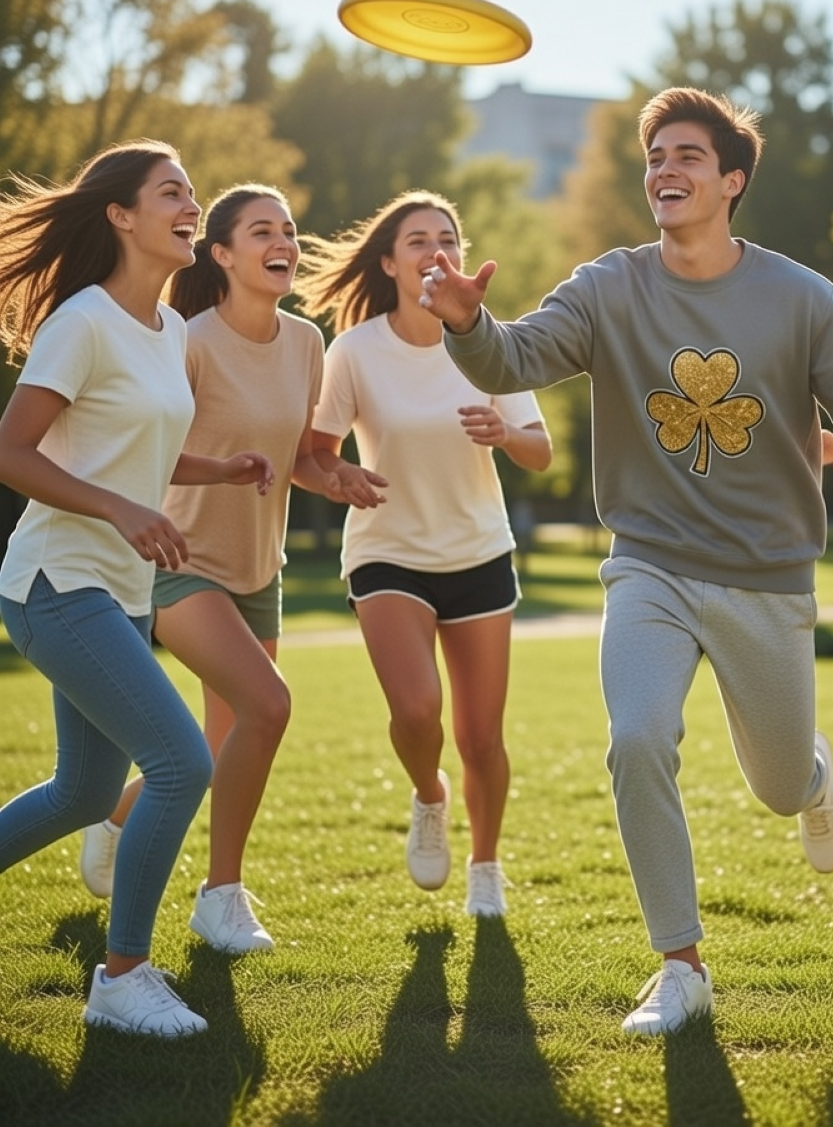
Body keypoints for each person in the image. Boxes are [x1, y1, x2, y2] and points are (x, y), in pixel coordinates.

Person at [419, 87, 833, 1036]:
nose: (665, 171)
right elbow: (512, 361)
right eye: (655, 158)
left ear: (731, 181)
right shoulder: (609, 285)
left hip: (767, 576)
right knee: (637, 738)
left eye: (687, 156)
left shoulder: (800, 295)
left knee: (772, 786)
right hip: (648, 563)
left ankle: (809, 778)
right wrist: (468, 323)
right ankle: (679, 967)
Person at [0, 142, 273, 1036]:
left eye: (193, 191)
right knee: (180, 761)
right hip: (54, 582)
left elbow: (132, 439)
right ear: (121, 215)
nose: (191, 204)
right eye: (172, 193)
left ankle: (123, 976)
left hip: (113, 589)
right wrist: (120, 509)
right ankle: (122, 979)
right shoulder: (82, 320)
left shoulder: (163, 329)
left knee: (83, 794)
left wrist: (219, 469)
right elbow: (13, 450)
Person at [76, 184, 384, 953]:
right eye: (260, 231)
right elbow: (146, 449)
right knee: (270, 706)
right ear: (221, 254)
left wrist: (336, 479)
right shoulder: (187, 339)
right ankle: (222, 897)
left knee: (221, 748)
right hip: (181, 561)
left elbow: (302, 460)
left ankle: (119, 812)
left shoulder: (306, 343)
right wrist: (216, 468)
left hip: (259, 569)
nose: (283, 241)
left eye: (288, 229)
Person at [299, 190, 552, 921]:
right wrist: (338, 477)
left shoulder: (490, 345)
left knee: (480, 737)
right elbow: (317, 454)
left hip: (478, 551)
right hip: (388, 553)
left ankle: (486, 865)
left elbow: (541, 451)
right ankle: (429, 796)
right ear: (389, 261)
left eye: (448, 238)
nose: (434, 249)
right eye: (417, 239)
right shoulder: (355, 350)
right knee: (416, 709)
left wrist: (504, 436)